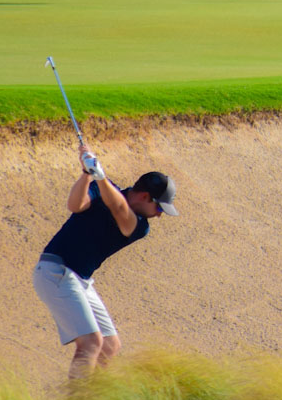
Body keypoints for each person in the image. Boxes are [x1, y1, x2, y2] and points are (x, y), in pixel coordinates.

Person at [33, 142, 178, 377]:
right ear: (144, 196)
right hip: (57, 271)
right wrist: (86, 173)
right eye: (160, 208)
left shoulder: (140, 226)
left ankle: (94, 399)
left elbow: (119, 208)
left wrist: (101, 176)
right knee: (91, 342)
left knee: (109, 345)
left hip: (79, 279)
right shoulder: (103, 189)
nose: (160, 215)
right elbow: (75, 204)